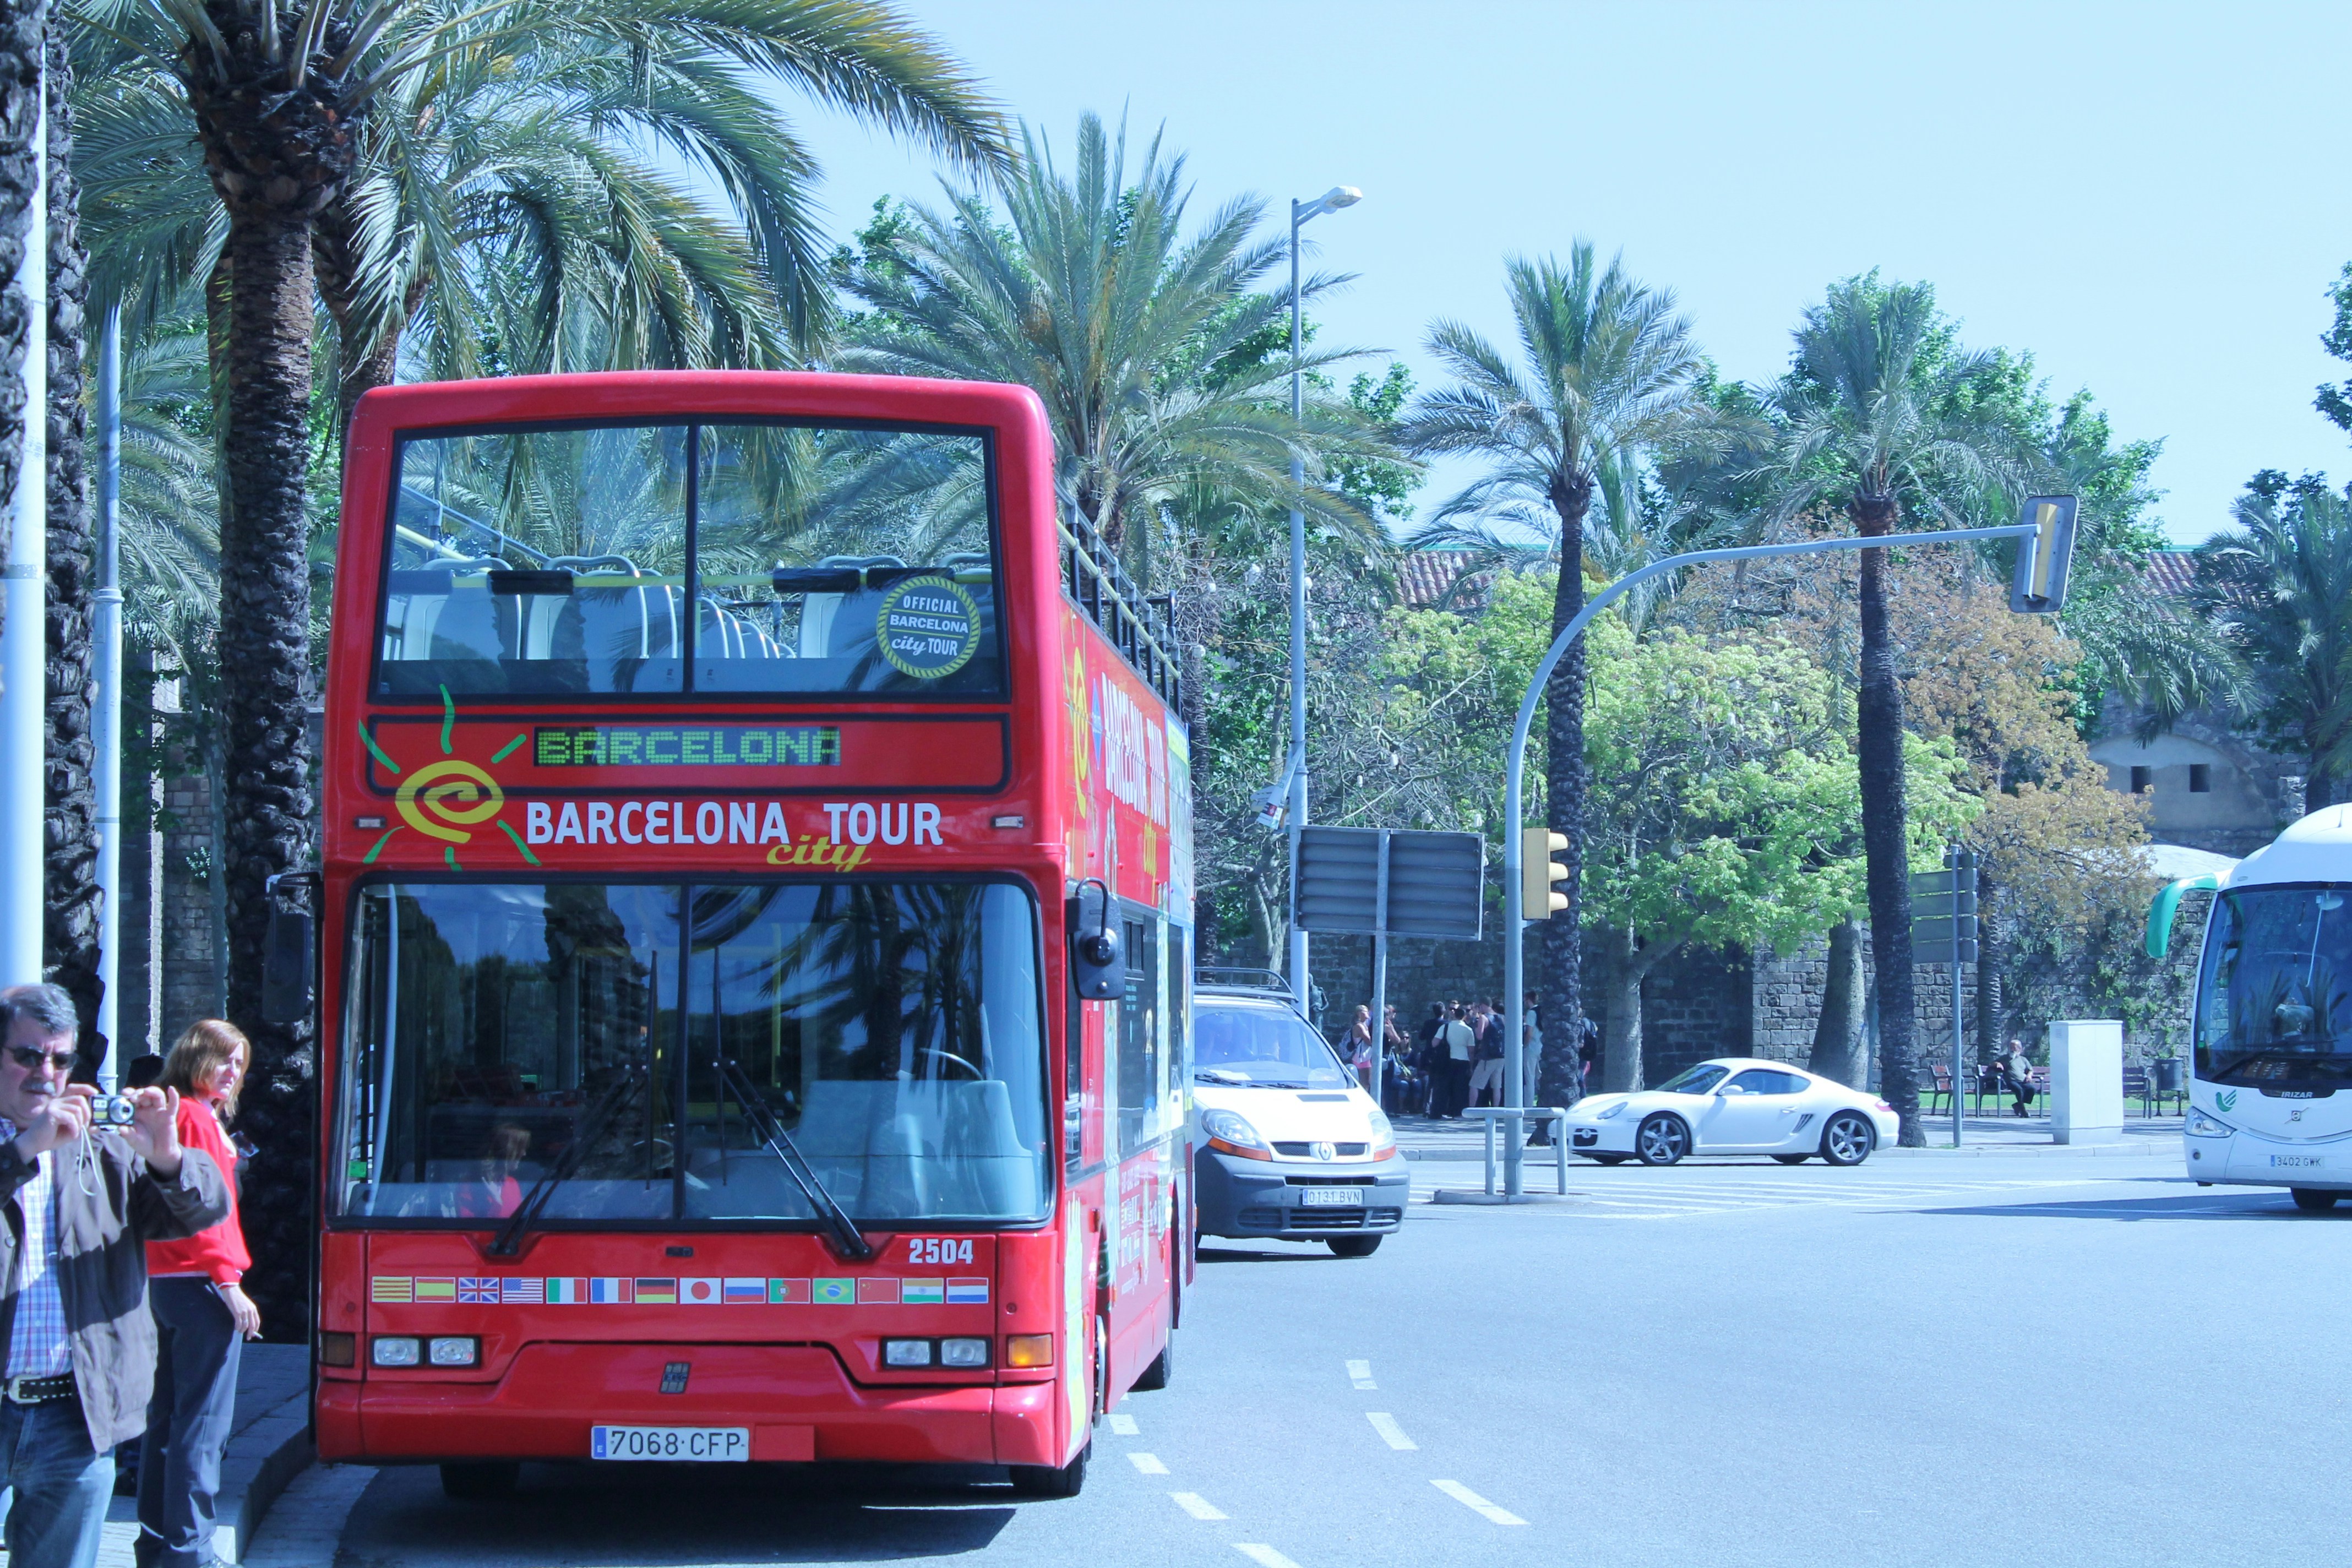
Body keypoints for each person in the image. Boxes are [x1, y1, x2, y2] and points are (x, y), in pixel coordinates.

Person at [0, 984, 228, 1568]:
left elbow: (202, 1210)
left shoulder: (102, 1150)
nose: (45, 1072)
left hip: (72, 1417)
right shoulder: (34, 1141)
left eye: (60, 1058)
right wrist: (26, 1148)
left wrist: (167, 1156)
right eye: (27, 1055)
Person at [139, 1020, 260, 1568]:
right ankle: (190, 1551)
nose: (233, 1072)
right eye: (224, 1059)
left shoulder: (176, 1112)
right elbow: (208, 1212)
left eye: (239, 1063)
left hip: (166, 1283)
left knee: (167, 1422)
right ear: (197, 1056)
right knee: (203, 1424)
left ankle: (160, 1544)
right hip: (201, 1280)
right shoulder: (196, 1115)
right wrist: (229, 1282)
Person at [1467, 1001, 1506, 1109]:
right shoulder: (1502, 1017)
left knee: (1474, 1085)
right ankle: (1496, 1110)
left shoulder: (1483, 1018)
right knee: (1497, 1087)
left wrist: (1476, 1026)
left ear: (1483, 1005)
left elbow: (1479, 1036)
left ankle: (1472, 1111)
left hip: (1487, 1057)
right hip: (1501, 1056)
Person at [1439, 1006, 1475, 1117]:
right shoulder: (1468, 1030)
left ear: (1454, 1015)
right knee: (1461, 1088)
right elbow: (1471, 1051)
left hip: (1449, 1059)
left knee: (1449, 1086)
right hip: (1463, 1060)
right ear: (1464, 1016)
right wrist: (1471, 1066)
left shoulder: (1446, 1027)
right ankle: (1458, 1112)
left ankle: (1448, 1110)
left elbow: (1434, 1042)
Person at [2001, 1038, 2037, 1117]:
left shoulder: (2023, 1059)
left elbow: (2030, 1070)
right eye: (2011, 1047)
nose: (2012, 1050)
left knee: (2032, 1089)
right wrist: (1997, 1064)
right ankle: (2023, 1111)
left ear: (2020, 1049)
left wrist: (2029, 1075)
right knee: (2019, 1090)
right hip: (2011, 1081)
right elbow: (1994, 1063)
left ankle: (2017, 1105)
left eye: (2014, 1048)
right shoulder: (2005, 1058)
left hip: (2023, 1081)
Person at [1344, 1006, 1374, 1095]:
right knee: (1364, 1084)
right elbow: (1369, 1041)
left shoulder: (1364, 1025)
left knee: (1367, 1084)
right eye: (1366, 1011)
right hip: (1361, 1059)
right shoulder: (1359, 1027)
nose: (1368, 1013)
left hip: (1366, 1057)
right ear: (1359, 1013)